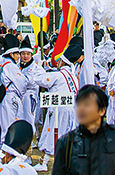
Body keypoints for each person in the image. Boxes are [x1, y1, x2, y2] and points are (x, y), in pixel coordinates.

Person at [51, 85, 115, 175]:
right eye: (78, 104)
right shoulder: (67, 142)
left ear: (102, 110)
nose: (81, 109)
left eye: (86, 105)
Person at [34, 44, 81, 172]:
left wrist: (38, 67)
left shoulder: (59, 75)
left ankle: (44, 162)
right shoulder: (73, 77)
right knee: (66, 135)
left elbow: (40, 79)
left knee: (51, 134)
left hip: (58, 109)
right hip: (70, 109)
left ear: (62, 62)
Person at [0, 34, 27, 137]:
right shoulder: (10, 66)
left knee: (4, 124)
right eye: (17, 54)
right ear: (11, 54)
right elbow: (22, 83)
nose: (19, 56)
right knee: (12, 122)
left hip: (3, 97)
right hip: (11, 97)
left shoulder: (1, 62)